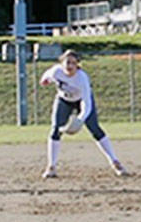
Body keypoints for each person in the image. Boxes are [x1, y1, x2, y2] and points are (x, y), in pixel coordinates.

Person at [39, 49, 129, 179]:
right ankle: (51, 167)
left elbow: (87, 102)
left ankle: (115, 162)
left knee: (95, 129)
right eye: (67, 62)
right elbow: (47, 74)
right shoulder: (56, 71)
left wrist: (80, 120)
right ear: (61, 63)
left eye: (73, 63)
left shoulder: (82, 78)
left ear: (77, 65)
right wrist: (45, 80)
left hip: (82, 100)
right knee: (55, 130)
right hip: (64, 100)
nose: (69, 66)